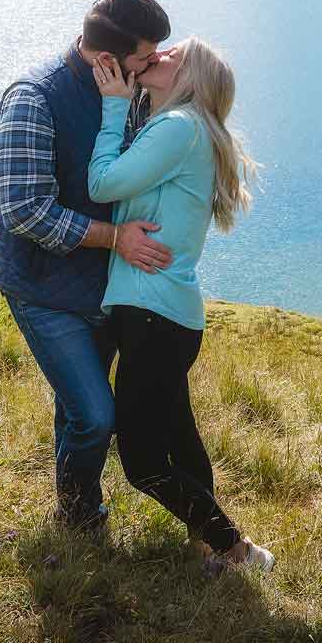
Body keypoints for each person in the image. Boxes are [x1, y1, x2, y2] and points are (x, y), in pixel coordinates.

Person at [87, 38, 273, 574]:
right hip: (169, 315)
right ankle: (213, 546)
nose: (158, 54)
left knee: (143, 460)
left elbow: (103, 184)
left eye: (173, 54)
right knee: (178, 438)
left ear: (188, 75)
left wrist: (114, 107)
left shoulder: (178, 128)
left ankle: (235, 548)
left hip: (151, 315)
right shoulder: (190, 130)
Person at [0, 0, 175, 531]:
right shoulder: (33, 97)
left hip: (105, 285)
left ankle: (73, 509)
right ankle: (81, 519)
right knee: (96, 415)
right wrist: (116, 238)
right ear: (106, 59)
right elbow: (26, 211)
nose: (154, 63)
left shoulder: (130, 87)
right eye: (145, 55)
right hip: (44, 288)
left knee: (78, 406)